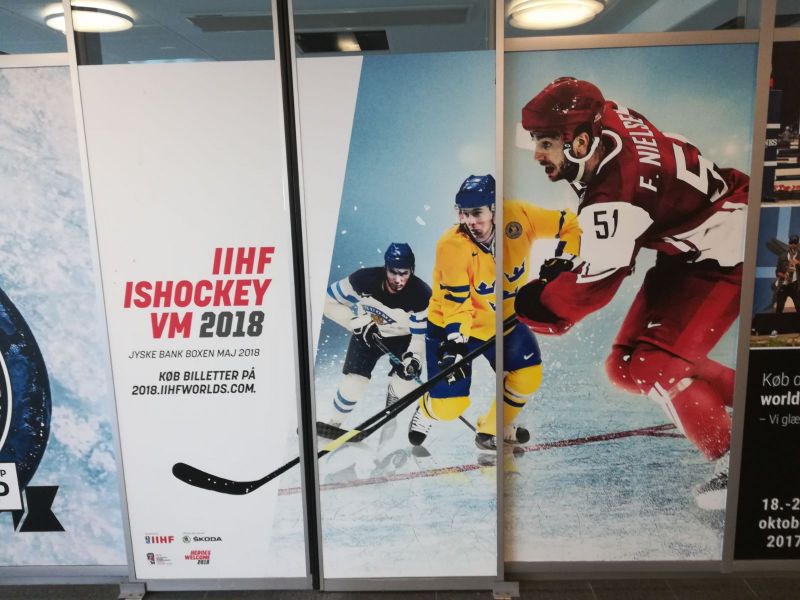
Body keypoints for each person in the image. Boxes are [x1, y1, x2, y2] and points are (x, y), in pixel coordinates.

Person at [514, 77, 749, 510]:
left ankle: (741, 466)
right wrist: (579, 264)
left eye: (546, 143)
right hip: (692, 245)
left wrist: (540, 304)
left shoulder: (617, 194)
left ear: (580, 142)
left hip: (729, 251)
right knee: (625, 366)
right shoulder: (605, 120)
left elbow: (593, 288)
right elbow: (623, 230)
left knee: (652, 368)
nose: (536, 155)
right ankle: (770, 405)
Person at [414, 173, 580, 450]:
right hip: (452, 326)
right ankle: (428, 409)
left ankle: (491, 428)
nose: (469, 221)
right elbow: (457, 303)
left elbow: (570, 224)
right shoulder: (451, 245)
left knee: (528, 375)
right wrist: (455, 343)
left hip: (503, 322)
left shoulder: (520, 217)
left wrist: (565, 258)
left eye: (476, 213)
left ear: (495, 208)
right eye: (463, 213)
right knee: (449, 408)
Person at [321, 243, 431, 437]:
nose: (398, 279)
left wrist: (414, 358)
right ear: (385, 267)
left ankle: (395, 394)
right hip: (367, 332)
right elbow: (327, 301)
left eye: (404, 273)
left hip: (403, 339)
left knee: (406, 381)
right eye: (393, 272)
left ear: (412, 271)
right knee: (354, 383)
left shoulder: (421, 294)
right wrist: (355, 322)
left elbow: (420, 335)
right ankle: (335, 422)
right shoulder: (363, 280)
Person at [775, 234, 800, 314]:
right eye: (791, 243)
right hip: (783, 285)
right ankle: (777, 322)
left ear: (798, 245)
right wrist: (784, 275)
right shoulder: (782, 256)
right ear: (788, 244)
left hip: (795, 286)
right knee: (779, 308)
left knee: (799, 307)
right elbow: (777, 271)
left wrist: (798, 263)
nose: (793, 245)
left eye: (795, 243)